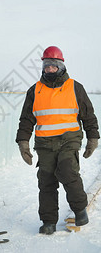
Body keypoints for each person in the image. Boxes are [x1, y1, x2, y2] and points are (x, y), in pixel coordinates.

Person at [16, 46, 100, 235]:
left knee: (68, 171)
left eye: (53, 65)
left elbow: (88, 115)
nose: (49, 69)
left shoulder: (74, 87)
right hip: (45, 144)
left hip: (68, 140)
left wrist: (93, 137)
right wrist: (23, 143)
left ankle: (79, 209)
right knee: (46, 182)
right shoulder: (34, 91)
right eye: (46, 65)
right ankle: (48, 222)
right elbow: (26, 120)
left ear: (61, 65)